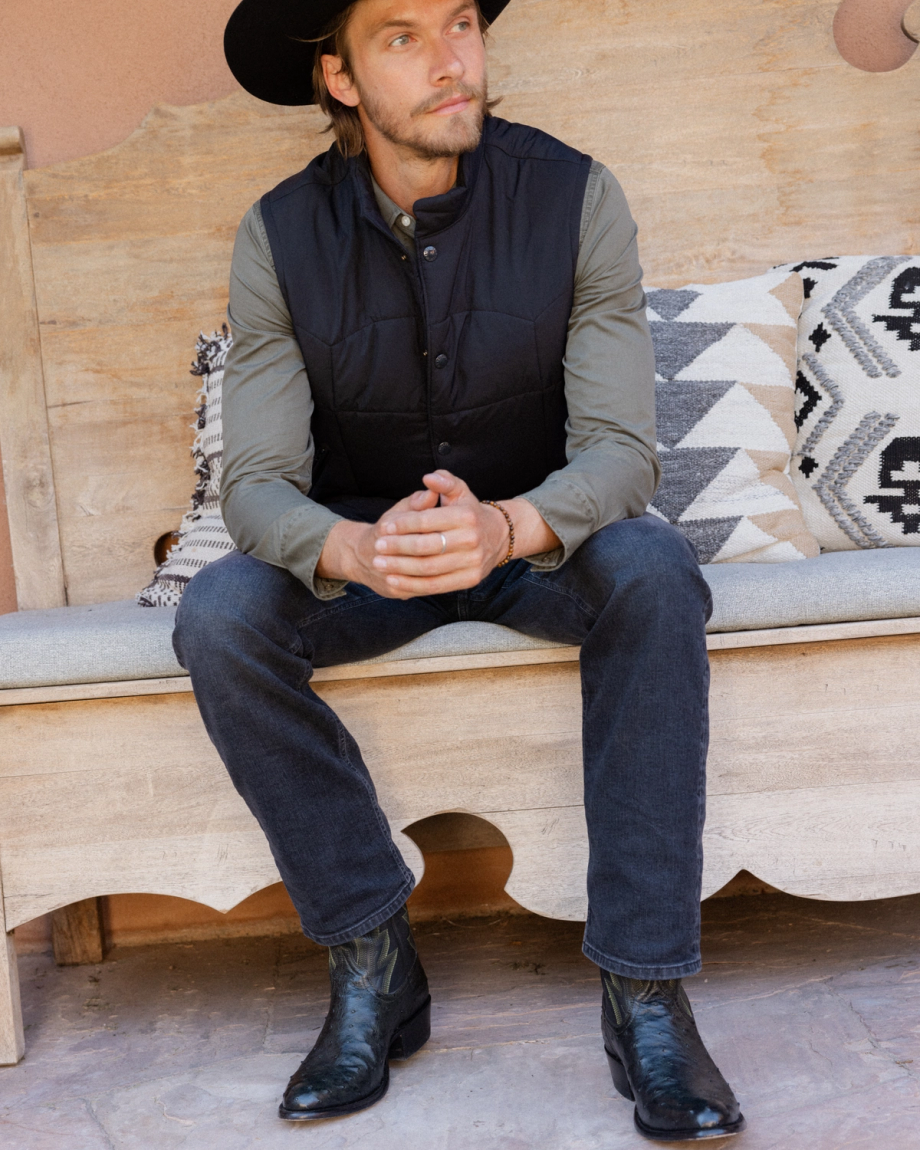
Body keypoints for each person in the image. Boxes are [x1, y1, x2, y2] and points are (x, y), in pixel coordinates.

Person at [173, 0, 745, 1139]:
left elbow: (622, 457)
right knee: (222, 613)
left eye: (460, 25)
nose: (451, 60)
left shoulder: (575, 195)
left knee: (653, 569)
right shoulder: (277, 235)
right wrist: (350, 546)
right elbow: (257, 486)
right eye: (403, 36)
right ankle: (371, 957)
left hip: (537, 539)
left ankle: (643, 994)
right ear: (338, 78)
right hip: (370, 553)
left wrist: (508, 527)